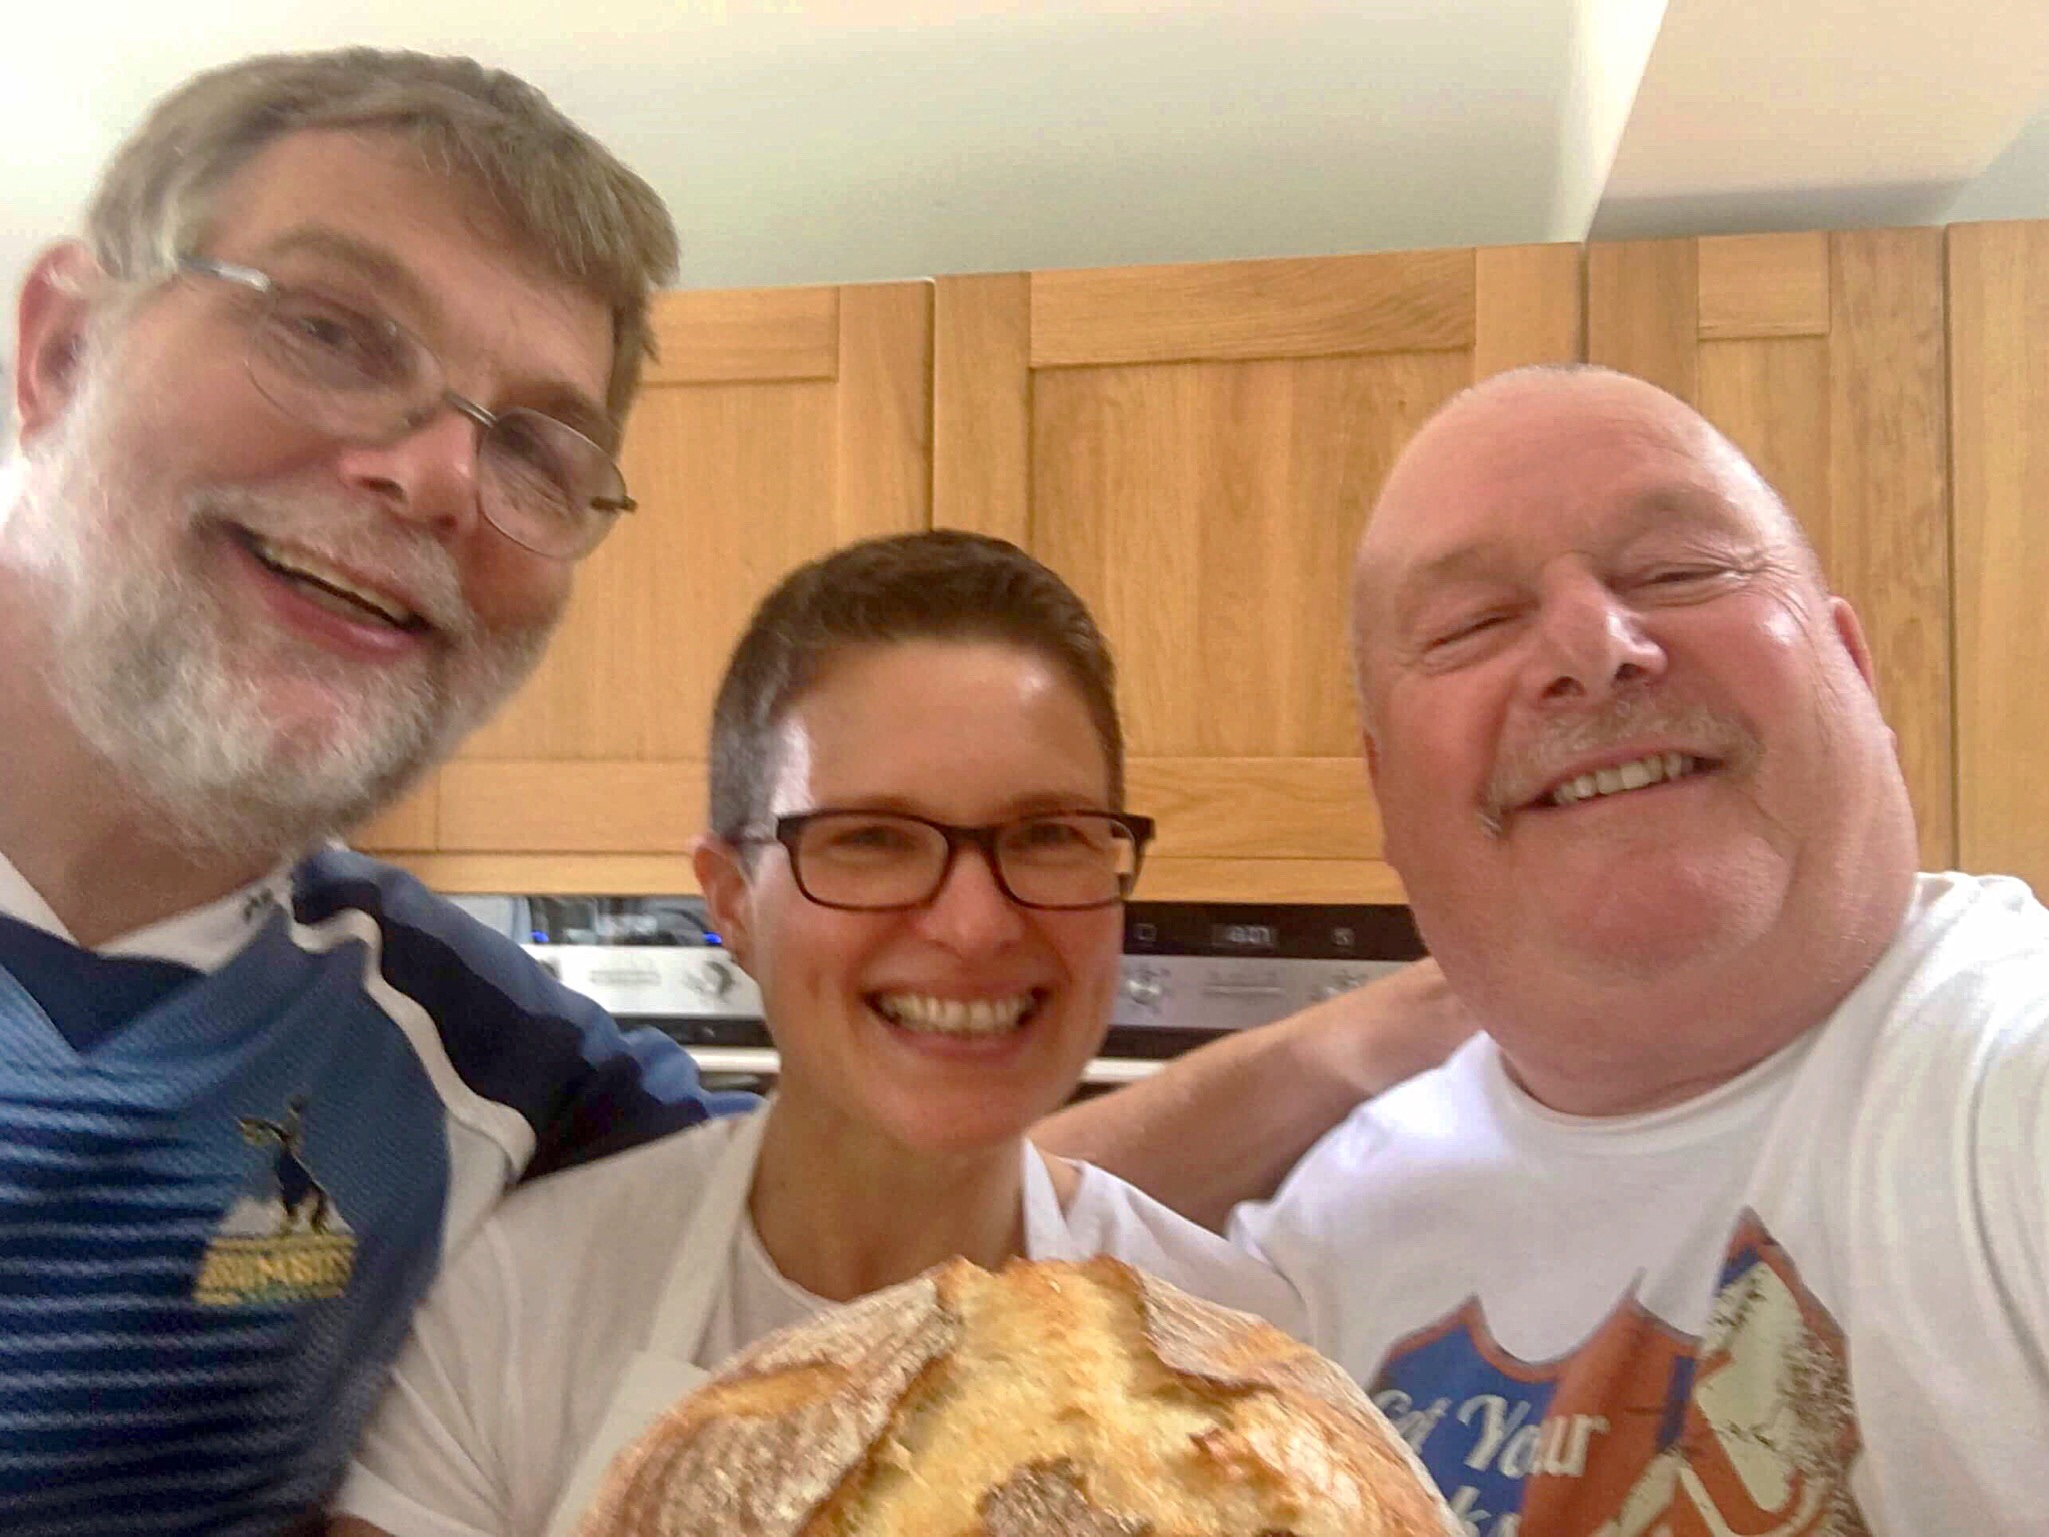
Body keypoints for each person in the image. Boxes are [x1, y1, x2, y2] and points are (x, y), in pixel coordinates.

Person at [0, 50, 753, 1532]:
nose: (437, 475)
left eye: (537, 446)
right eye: (333, 331)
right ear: (61, 349)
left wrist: (1341, 1057)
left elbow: (888, 1221)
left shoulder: (491, 1062)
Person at [1166, 364, 2040, 1532]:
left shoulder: (2003, 1080)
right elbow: (889, 1280)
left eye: (1680, 571)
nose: (1593, 642)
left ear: (1855, 668)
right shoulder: (1326, 1240)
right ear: (1385, 790)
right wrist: (1342, 1048)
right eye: (1472, 624)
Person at [330, 530, 1307, 1537]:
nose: (973, 925)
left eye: (1049, 834)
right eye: (871, 839)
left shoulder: (1241, 1358)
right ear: (733, 901)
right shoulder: (522, 1304)